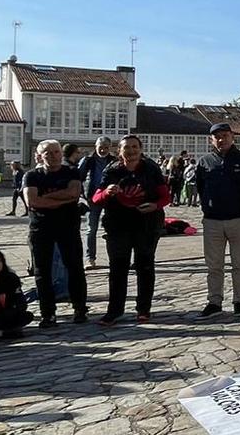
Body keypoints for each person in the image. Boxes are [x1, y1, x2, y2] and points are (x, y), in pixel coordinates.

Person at [91, 135, 169, 325]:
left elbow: (166, 197)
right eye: (127, 148)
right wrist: (107, 193)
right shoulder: (112, 170)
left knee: (145, 266)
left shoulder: (151, 168)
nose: (131, 151)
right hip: (118, 225)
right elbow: (95, 198)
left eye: (135, 147)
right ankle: (114, 310)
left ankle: (144, 309)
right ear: (119, 151)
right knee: (117, 269)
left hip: (147, 225)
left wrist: (155, 205)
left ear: (141, 150)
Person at [196, 122, 240, 317]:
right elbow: (201, 187)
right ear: (211, 140)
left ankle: (239, 301)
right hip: (212, 221)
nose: (221, 139)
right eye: (217, 136)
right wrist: (207, 207)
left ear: (232, 137)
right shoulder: (205, 161)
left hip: (239, 219)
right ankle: (214, 302)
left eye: (225, 135)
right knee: (214, 265)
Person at [23, 138, 89, 326]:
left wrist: (47, 197)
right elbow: (33, 202)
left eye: (56, 152)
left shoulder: (71, 172)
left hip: (67, 227)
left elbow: (74, 194)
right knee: (42, 271)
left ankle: (80, 308)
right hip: (41, 228)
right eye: (48, 153)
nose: (53, 156)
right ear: (40, 156)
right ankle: (48, 313)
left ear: (61, 153)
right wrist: (61, 199)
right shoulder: (32, 176)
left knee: (74, 267)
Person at [80, 139, 117, 267]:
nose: (103, 150)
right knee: (91, 229)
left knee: (112, 229)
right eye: (100, 147)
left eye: (106, 147)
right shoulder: (88, 160)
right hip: (92, 198)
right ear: (95, 146)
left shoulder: (114, 161)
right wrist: (82, 194)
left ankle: (115, 257)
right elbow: (79, 177)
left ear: (110, 148)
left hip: (109, 198)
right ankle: (90, 258)